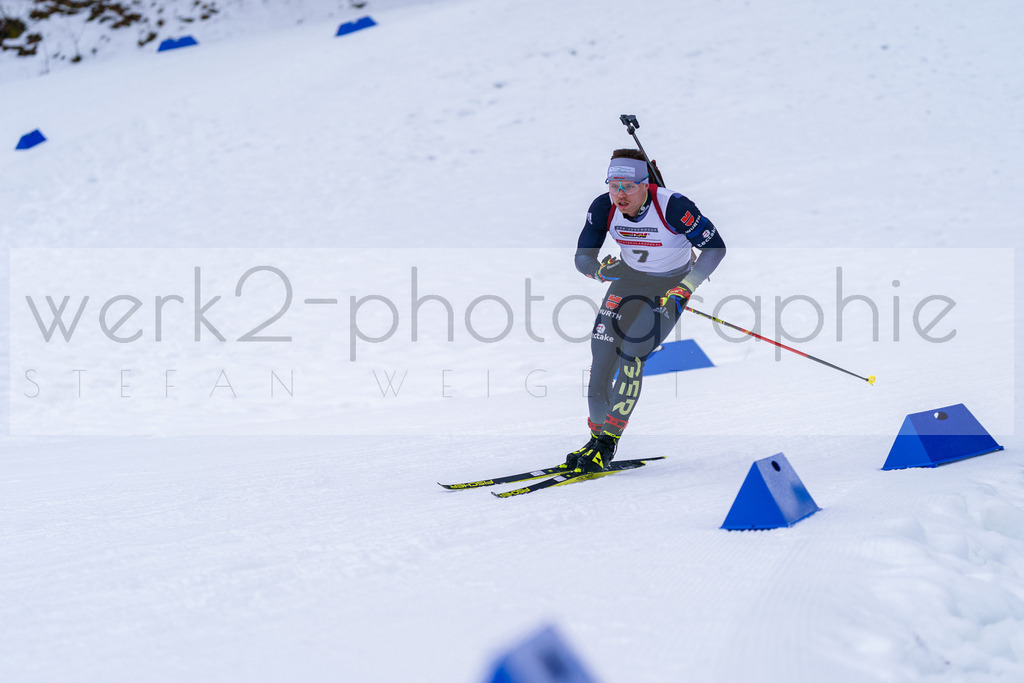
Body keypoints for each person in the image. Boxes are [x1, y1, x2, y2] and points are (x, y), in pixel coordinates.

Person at [565, 149, 727, 472]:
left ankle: (608, 444)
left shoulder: (675, 207)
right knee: (600, 359)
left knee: (632, 351)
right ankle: (596, 439)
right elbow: (582, 257)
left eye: (627, 186)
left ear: (646, 186)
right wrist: (599, 271)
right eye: (613, 185)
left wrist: (687, 285)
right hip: (627, 281)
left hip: (669, 287)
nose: (619, 195)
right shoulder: (603, 208)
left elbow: (715, 247)